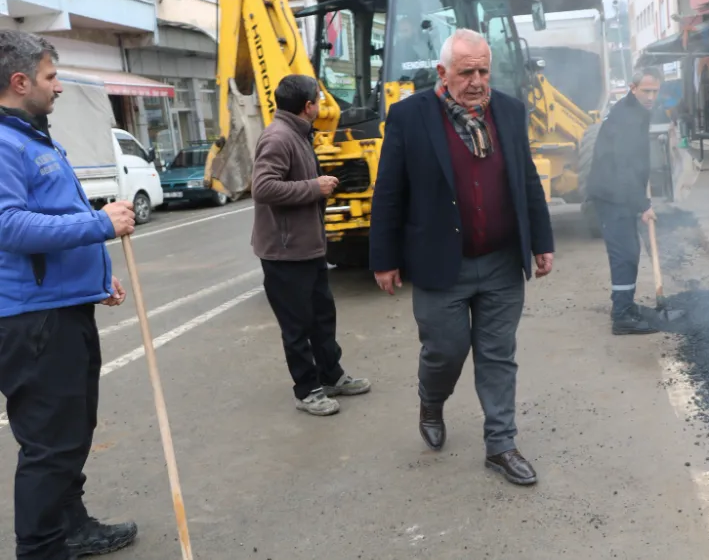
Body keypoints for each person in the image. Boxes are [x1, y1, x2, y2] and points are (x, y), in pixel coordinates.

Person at [369, 29, 554, 486]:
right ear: (442, 72)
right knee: (444, 351)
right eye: (465, 71)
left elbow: (526, 179)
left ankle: (501, 445)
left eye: (483, 70)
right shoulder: (409, 116)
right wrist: (384, 257)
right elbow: (389, 192)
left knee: (497, 355)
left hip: (500, 260)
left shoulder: (508, 111)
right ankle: (431, 401)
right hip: (439, 263)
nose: (475, 80)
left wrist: (542, 240)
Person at [0, 30, 139, 559]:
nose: (58, 87)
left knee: (71, 433)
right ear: (20, 82)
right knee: (49, 446)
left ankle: (71, 526)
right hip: (30, 321)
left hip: (60, 307)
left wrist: (94, 281)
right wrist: (98, 225)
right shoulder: (5, 144)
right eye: (51, 77)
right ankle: (40, 549)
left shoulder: (32, 136)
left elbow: (51, 221)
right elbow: (8, 226)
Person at [251, 74, 371, 416]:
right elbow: (263, 188)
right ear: (308, 106)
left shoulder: (299, 133)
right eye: (318, 100)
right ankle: (307, 390)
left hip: (309, 246)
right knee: (297, 325)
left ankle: (332, 375)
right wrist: (313, 187)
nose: (321, 105)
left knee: (321, 317)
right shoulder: (278, 138)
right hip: (284, 252)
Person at [586, 67, 662, 335]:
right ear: (633, 88)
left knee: (630, 251)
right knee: (624, 254)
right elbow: (623, 166)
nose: (651, 96)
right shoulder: (627, 117)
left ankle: (626, 306)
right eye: (646, 91)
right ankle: (621, 316)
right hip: (611, 194)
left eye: (655, 91)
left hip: (621, 193)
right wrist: (643, 204)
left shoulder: (637, 112)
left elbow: (635, 163)